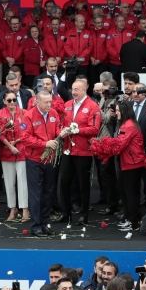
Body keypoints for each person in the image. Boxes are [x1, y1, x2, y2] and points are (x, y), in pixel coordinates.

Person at [91, 99, 146, 233]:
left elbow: (119, 145)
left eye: (118, 110)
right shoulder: (126, 124)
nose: (116, 113)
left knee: (130, 194)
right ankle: (130, 219)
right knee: (126, 193)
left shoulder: (128, 125)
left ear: (124, 111)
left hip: (132, 164)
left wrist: (101, 145)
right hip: (128, 162)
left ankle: (133, 222)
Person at [57, 79, 101, 226]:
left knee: (83, 184)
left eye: (77, 89)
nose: (73, 92)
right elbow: (61, 123)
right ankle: (66, 213)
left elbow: (94, 129)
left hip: (83, 151)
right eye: (73, 89)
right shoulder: (67, 104)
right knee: (64, 182)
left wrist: (77, 130)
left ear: (84, 90)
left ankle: (84, 215)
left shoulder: (93, 106)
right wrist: (62, 130)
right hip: (68, 150)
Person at [20, 91, 63, 238]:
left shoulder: (53, 113)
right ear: (37, 102)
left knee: (49, 192)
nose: (49, 104)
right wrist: (44, 144)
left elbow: (57, 128)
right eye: (46, 102)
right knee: (36, 194)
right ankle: (36, 225)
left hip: (49, 159)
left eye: (50, 101)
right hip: (34, 160)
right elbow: (25, 137)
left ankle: (45, 224)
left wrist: (62, 132)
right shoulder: (28, 116)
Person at [0, 90, 29, 223]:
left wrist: (17, 141)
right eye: (9, 100)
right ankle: (12, 209)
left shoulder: (24, 112)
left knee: (22, 182)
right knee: (9, 183)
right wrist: (10, 145)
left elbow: (27, 130)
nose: (12, 102)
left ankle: (25, 209)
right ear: (4, 101)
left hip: (21, 151)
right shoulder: (0, 114)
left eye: (14, 99)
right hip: (6, 152)